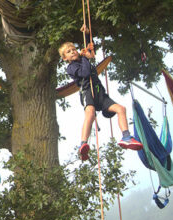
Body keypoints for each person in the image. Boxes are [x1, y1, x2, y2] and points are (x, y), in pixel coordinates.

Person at [58, 28, 142, 162]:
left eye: (73, 49)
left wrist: (86, 34)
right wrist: (85, 57)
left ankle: (126, 137)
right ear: (65, 58)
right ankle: (83, 143)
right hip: (88, 92)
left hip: (100, 93)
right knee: (90, 113)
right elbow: (85, 73)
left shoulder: (83, 58)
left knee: (121, 109)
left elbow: (88, 49)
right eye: (69, 52)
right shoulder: (71, 67)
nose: (73, 51)